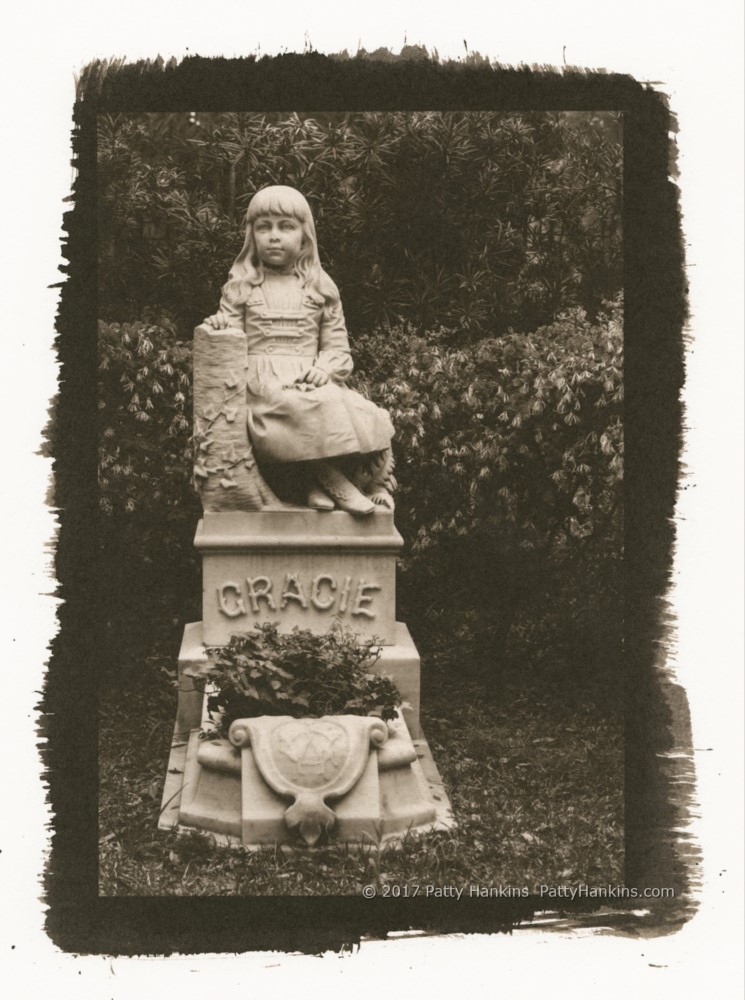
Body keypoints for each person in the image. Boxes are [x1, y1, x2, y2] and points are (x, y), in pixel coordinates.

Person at [204, 185, 395, 516]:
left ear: (305, 237)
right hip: (262, 384)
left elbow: (338, 348)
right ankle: (332, 483)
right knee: (299, 406)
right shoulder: (241, 287)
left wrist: (324, 369)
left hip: (312, 378)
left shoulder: (320, 287)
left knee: (365, 413)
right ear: (252, 236)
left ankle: (357, 486)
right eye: (264, 228)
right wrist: (222, 325)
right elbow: (230, 334)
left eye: (285, 226)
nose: (274, 237)